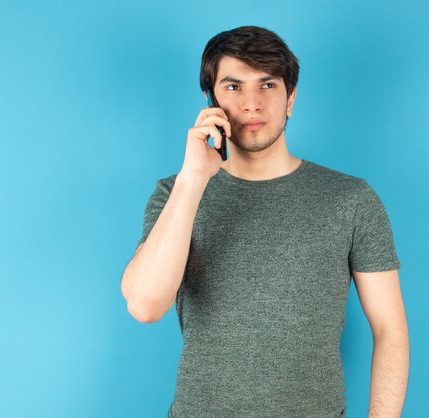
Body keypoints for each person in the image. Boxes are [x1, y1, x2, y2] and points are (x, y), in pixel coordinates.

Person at [121, 25, 409, 418]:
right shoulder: (175, 193)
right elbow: (145, 305)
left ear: (290, 99)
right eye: (234, 87)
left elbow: (390, 330)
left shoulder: (351, 199)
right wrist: (193, 180)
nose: (252, 103)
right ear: (211, 100)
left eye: (268, 85)